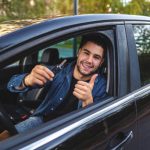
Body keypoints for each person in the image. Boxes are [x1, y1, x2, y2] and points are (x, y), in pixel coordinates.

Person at [6, 33, 107, 134]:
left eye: (96, 57)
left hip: (73, 133)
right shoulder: (59, 70)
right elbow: (11, 84)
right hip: (42, 122)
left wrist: (88, 103)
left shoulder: (103, 85)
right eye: (86, 53)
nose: (89, 61)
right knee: (7, 136)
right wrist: (26, 80)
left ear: (101, 62)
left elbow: (101, 130)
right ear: (78, 52)